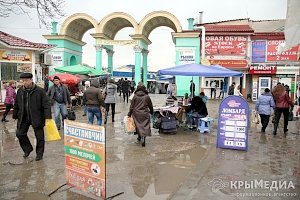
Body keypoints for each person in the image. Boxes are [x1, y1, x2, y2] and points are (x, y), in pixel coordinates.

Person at [13, 73, 51, 161]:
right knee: (19, 133)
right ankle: (27, 149)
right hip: (24, 117)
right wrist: (15, 114)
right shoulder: (20, 91)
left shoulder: (40, 91)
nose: (24, 83)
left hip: (37, 117)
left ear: (31, 80)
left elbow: (46, 104)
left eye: (26, 80)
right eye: (22, 81)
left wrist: (47, 117)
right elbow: (16, 103)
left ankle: (39, 153)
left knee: (39, 137)